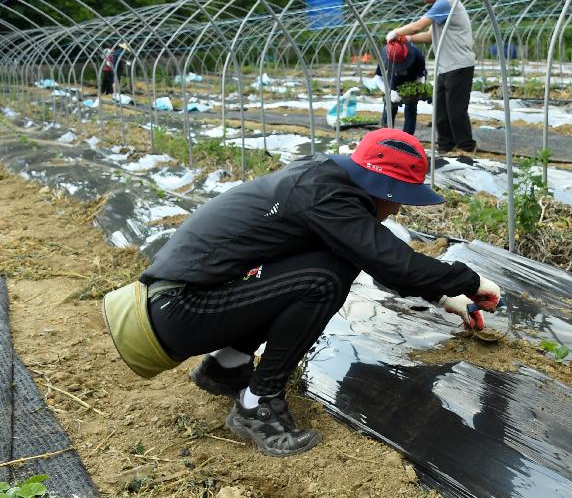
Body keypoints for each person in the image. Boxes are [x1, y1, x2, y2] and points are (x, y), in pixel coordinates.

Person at [137, 128, 502, 457]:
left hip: (183, 301)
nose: (399, 208)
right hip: (180, 309)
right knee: (324, 278)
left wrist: (443, 297)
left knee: (331, 264)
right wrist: (470, 283)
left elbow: (376, 257)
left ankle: (224, 368)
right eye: (400, 197)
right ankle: (256, 405)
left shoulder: (326, 181)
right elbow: (392, 261)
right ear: (382, 188)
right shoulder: (326, 196)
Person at [386, 0, 476, 154]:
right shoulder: (441, 4)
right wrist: (407, 39)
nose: (422, 0)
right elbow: (429, 35)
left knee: (455, 110)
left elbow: (419, 25)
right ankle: (445, 147)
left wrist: (397, 32)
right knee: (441, 111)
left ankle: (467, 148)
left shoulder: (446, 2)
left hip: (459, 64)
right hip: (446, 66)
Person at [374, 36, 427, 135]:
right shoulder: (384, 56)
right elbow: (377, 78)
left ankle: (408, 137)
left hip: (413, 80)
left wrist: (413, 92)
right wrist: (389, 92)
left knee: (411, 107)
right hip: (393, 80)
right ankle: (385, 135)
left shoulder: (417, 55)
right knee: (389, 106)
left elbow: (421, 77)